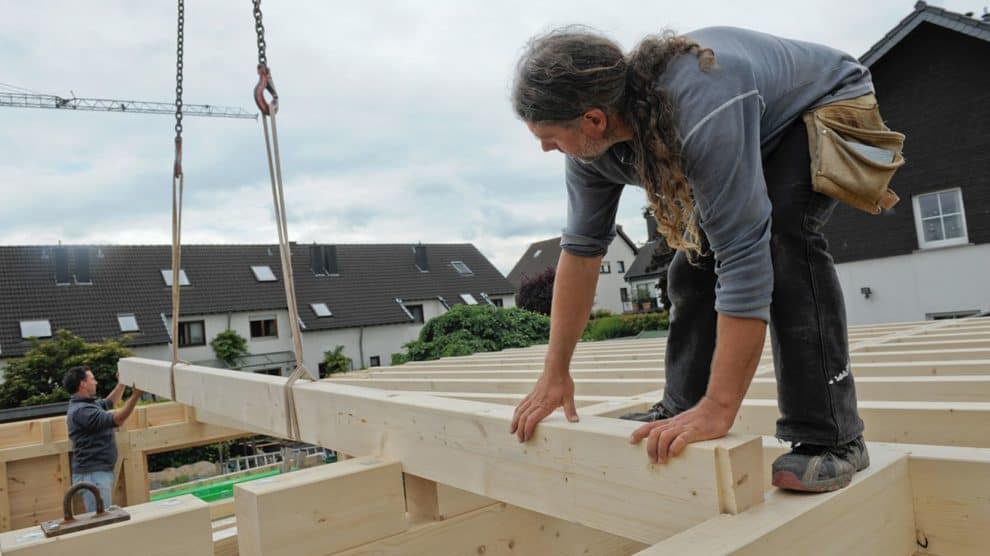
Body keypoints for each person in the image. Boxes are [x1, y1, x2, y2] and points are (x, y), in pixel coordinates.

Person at [508, 25, 892, 492]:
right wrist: (554, 373)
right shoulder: (592, 153)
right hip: (747, 115)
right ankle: (680, 405)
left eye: (548, 137)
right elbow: (582, 253)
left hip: (817, 102)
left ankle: (833, 437)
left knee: (785, 242)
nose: (547, 149)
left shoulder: (699, 104)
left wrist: (721, 406)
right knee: (693, 262)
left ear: (593, 120)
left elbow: (745, 255)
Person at [64, 366, 143, 511]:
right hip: (93, 476)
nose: (96, 382)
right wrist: (135, 396)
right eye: (92, 379)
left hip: (96, 474)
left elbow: (109, 403)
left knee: (101, 517)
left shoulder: (87, 404)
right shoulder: (82, 411)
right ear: (83, 384)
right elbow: (117, 420)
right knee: (99, 521)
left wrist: (121, 384)